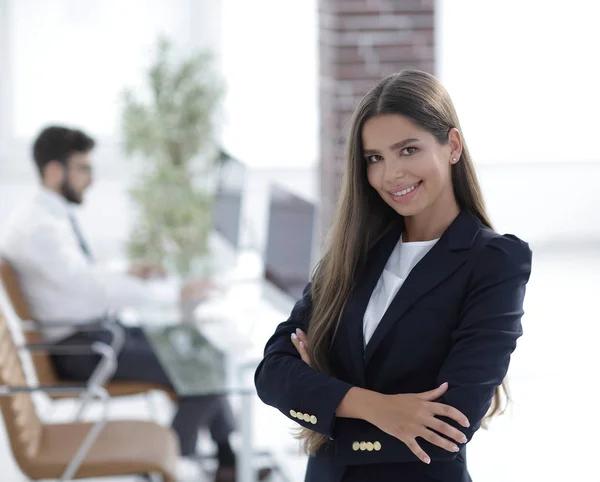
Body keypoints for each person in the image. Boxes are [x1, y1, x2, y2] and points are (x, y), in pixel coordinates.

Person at [254, 69, 532, 482]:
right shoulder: (355, 250)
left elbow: (448, 428)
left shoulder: (495, 261)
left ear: (452, 145)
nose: (391, 174)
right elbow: (273, 373)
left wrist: (324, 393)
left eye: (408, 150)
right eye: (374, 159)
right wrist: (377, 407)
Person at [1, 126, 268, 482]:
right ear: (54, 171)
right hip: (83, 349)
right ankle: (173, 462)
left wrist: (126, 271)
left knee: (200, 351)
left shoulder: (44, 215)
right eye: (83, 169)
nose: (90, 180)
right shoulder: (39, 228)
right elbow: (91, 290)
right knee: (207, 369)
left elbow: (78, 276)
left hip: (93, 332)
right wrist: (174, 293)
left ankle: (227, 460)